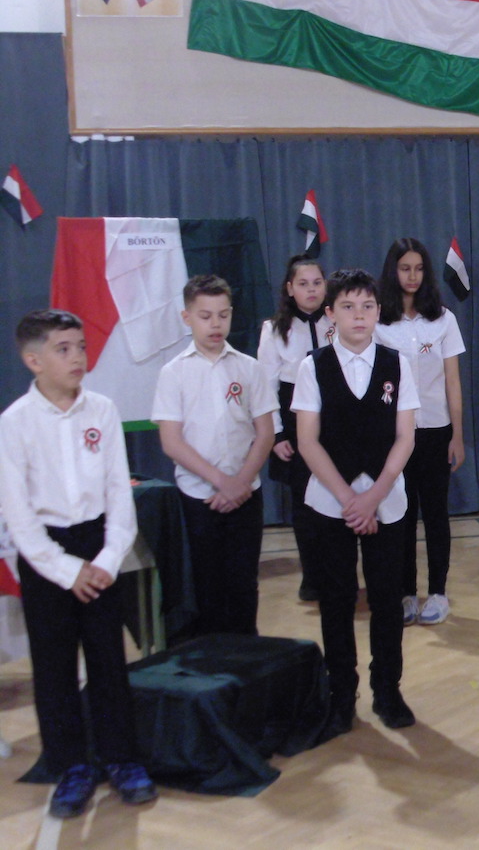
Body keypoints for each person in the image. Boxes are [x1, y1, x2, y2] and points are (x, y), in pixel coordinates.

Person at [0, 310, 157, 817]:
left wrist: (107, 560)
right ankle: (70, 767)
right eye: (63, 349)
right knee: (54, 668)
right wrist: (68, 571)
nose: (78, 358)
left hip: (98, 543)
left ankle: (122, 759)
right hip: (46, 555)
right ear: (33, 360)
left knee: (109, 660)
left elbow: (119, 495)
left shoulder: (102, 410)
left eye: (81, 347)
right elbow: (20, 520)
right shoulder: (14, 423)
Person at [292, 268, 419, 732]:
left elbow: (405, 437)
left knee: (387, 599)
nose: (359, 315)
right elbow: (308, 441)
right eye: (348, 307)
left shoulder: (397, 364)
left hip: (387, 500)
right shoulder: (313, 366)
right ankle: (341, 694)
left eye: (367, 306)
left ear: (378, 311)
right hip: (331, 502)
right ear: (331, 314)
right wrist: (350, 499)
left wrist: (375, 496)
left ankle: (388, 690)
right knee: (337, 599)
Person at [153, 275, 276, 636]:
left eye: (223, 315)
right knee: (205, 588)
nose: (215, 324)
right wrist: (222, 482)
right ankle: (211, 658)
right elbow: (172, 442)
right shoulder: (173, 373)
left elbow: (265, 433)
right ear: (187, 317)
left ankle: (245, 656)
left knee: (243, 585)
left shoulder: (249, 368)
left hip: (246, 496)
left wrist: (240, 483)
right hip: (198, 498)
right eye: (205, 316)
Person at [375, 238, 466, 626]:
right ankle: (406, 592)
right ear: (392, 272)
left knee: (436, 514)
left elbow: (452, 382)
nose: (412, 276)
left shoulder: (443, 319)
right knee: (401, 515)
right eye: (404, 268)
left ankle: (438, 592)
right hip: (395, 435)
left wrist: (457, 435)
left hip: (435, 430)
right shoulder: (379, 321)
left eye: (418, 268)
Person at [257, 254, 335, 601]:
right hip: (294, 420)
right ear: (290, 289)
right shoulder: (275, 330)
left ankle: (338, 571)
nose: (311, 290)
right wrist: (276, 435)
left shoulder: (337, 320)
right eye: (303, 284)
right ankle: (312, 577)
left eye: (317, 283)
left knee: (338, 496)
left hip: (333, 418)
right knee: (304, 503)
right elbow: (266, 387)